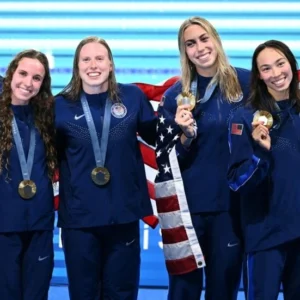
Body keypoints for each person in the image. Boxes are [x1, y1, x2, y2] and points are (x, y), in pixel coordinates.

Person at [155, 16, 250, 300]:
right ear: (185, 52)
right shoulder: (175, 97)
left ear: (216, 39)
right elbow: (167, 162)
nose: (200, 47)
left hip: (231, 208)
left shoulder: (247, 82)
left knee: (223, 290)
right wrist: (185, 135)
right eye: (190, 43)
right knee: (183, 292)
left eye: (204, 38)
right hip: (188, 210)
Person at [55, 36, 157, 300]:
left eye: (100, 58)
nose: (93, 65)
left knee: (121, 293)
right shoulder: (59, 106)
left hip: (122, 216)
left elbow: (158, 139)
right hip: (79, 221)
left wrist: (183, 126)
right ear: (76, 67)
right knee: (84, 293)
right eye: (85, 59)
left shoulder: (132, 98)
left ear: (111, 64)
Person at [228, 40, 300, 300]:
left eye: (281, 64)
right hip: (265, 235)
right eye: (266, 68)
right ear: (258, 75)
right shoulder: (245, 117)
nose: (276, 73)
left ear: (292, 64)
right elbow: (237, 182)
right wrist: (260, 153)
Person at [0, 50, 56, 299]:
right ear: (11, 74)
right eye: (23, 73)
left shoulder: (48, 118)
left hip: (39, 226)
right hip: (3, 228)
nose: (28, 82)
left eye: (37, 78)